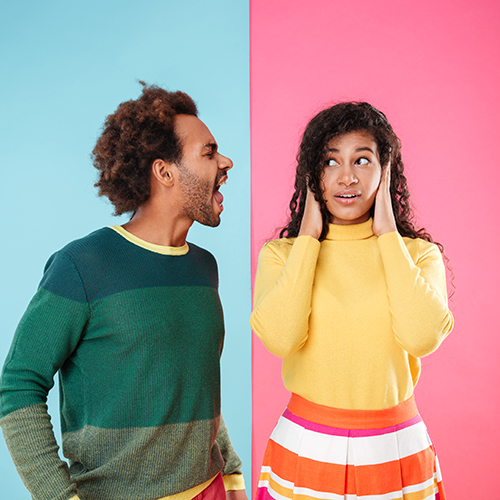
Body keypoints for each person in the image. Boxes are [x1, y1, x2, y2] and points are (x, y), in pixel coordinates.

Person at [0, 83, 247, 500]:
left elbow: (196, 391)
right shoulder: (81, 266)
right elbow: (19, 385)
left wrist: (234, 477)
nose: (226, 162)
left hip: (214, 490)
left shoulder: (205, 268)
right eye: (208, 152)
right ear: (164, 172)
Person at [250, 102, 453, 500]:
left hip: (396, 449)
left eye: (362, 160)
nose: (347, 177)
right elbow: (281, 339)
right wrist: (307, 238)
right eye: (329, 162)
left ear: (385, 171)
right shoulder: (282, 255)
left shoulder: (418, 255)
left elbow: (421, 337)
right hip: (307, 446)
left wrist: (387, 235)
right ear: (312, 176)